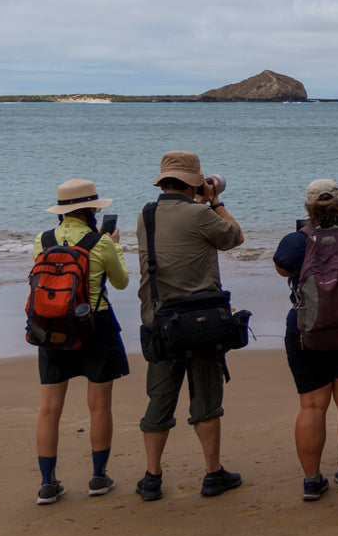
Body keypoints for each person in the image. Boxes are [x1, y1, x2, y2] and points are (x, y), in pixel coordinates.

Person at [135, 150, 244, 501]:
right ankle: (213, 474)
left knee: (159, 400)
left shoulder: (146, 216)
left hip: (160, 322)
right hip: (201, 324)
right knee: (207, 402)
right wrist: (214, 202)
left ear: (163, 181)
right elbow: (234, 236)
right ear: (194, 182)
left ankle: (152, 477)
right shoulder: (201, 214)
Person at [273, 179, 338, 500]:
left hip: (307, 331)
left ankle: (312, 480)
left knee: (312, 406)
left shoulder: (295, 241)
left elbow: (282, 268)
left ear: (308, 207)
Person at [32, 179, 130, 505]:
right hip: (94, 324)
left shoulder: (42, 241)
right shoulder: (99, 243)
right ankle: (99, 477)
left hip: (51, 326)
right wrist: (113, 245)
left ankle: (48, 484)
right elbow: (121, 282)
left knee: (49, 410)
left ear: (62, 212)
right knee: (99, 405)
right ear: (91, 210)